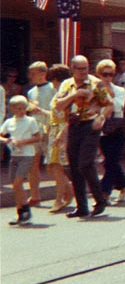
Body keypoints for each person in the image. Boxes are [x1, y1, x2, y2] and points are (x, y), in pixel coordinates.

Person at [54, 55, 113, 218]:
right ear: (73, 68)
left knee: (85, 164)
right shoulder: (67, 84)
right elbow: (58, 105)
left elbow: (109, 104)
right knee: (74, 167)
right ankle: (81, 206)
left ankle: (99, 199)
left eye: (86, 68)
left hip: (90, 125)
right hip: (73, 126)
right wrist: (74, 95)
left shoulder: (95, 83)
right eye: (80, 69)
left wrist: (101, 117)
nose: (83, 72)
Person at [0, 95, 41, 225]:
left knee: (18, 182)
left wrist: (23, 142)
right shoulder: (9, 122)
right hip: (14, 155)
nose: (21, 111)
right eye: (18, 109)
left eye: (23, 108)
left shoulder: (30, 121)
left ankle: (25, 208)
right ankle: (21, 212)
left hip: (27, 155)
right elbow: (1, 135)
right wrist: (6, 140)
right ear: (12, 109)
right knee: (15, 184)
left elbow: (37, 137)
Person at [96, 59, 125, 204]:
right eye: (105, 74)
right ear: (99, 74)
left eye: (111, 74)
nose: (108, 77)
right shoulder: (95, 89)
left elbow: (117, 107)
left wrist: (110, 94)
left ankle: (104, 193)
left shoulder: (119, 90)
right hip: (101, 128)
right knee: (109, 162)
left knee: (111, 161)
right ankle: (123, 186)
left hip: (116, 127)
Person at [44, 64, 74, 212]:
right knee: (51, 166)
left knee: (56, 166)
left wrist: (62, 133)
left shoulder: (67, 94)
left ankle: (59, 198)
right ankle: (69, 192)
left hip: (61, 130)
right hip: (53, 129)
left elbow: (69, 117)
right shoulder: (58, 94)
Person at [26, 61, 56, 206]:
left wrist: (41, 111)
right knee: (33, 162)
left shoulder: (52, 89)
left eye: (33, 73)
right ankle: (35, 195)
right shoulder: (31, 92)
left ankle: (63, 192)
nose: (30, 76)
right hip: (35, 129)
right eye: (30, 73)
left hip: (50, 128)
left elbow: (56, 112)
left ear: (43, 74)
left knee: (53, 164)